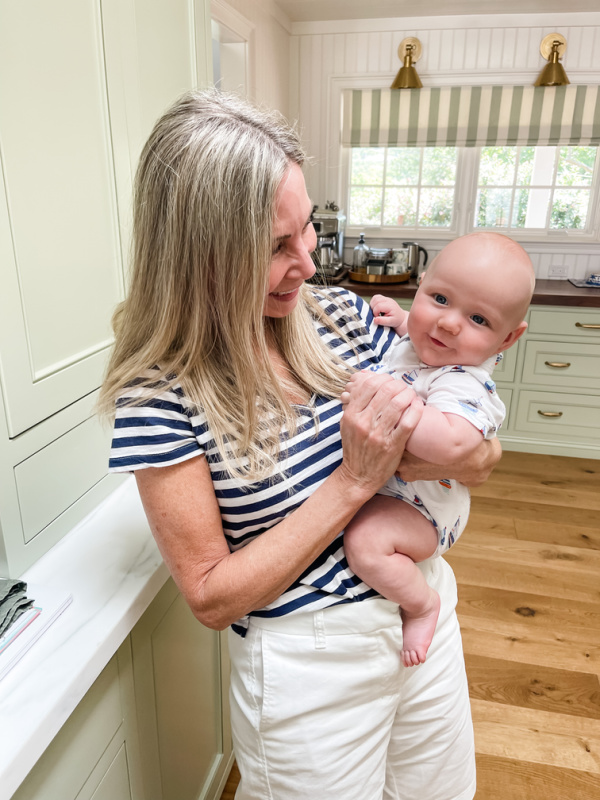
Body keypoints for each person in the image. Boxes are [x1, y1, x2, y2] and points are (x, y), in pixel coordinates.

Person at [99, 89, 501, 800]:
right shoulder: (158, 396)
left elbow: (471, 433)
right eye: (275, 248)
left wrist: (477, 453)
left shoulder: (342, 317)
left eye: (307, 227)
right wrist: (353, 483)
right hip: (310, 665)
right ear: (199, 258)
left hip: (423, 609)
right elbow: (211, 597)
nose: (309, 264)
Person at [342, 233, 535, 671]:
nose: (447, 324)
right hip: (397, 494)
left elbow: (450, 442)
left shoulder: (464, 381)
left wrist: (381, 398)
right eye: (440, 298)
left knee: (365, 543)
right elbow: (422, 340)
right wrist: (404, 320)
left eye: (479, 319)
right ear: (421, 285)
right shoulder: (426, 345)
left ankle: (422, 604)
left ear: (508, 338)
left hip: (423, 510)